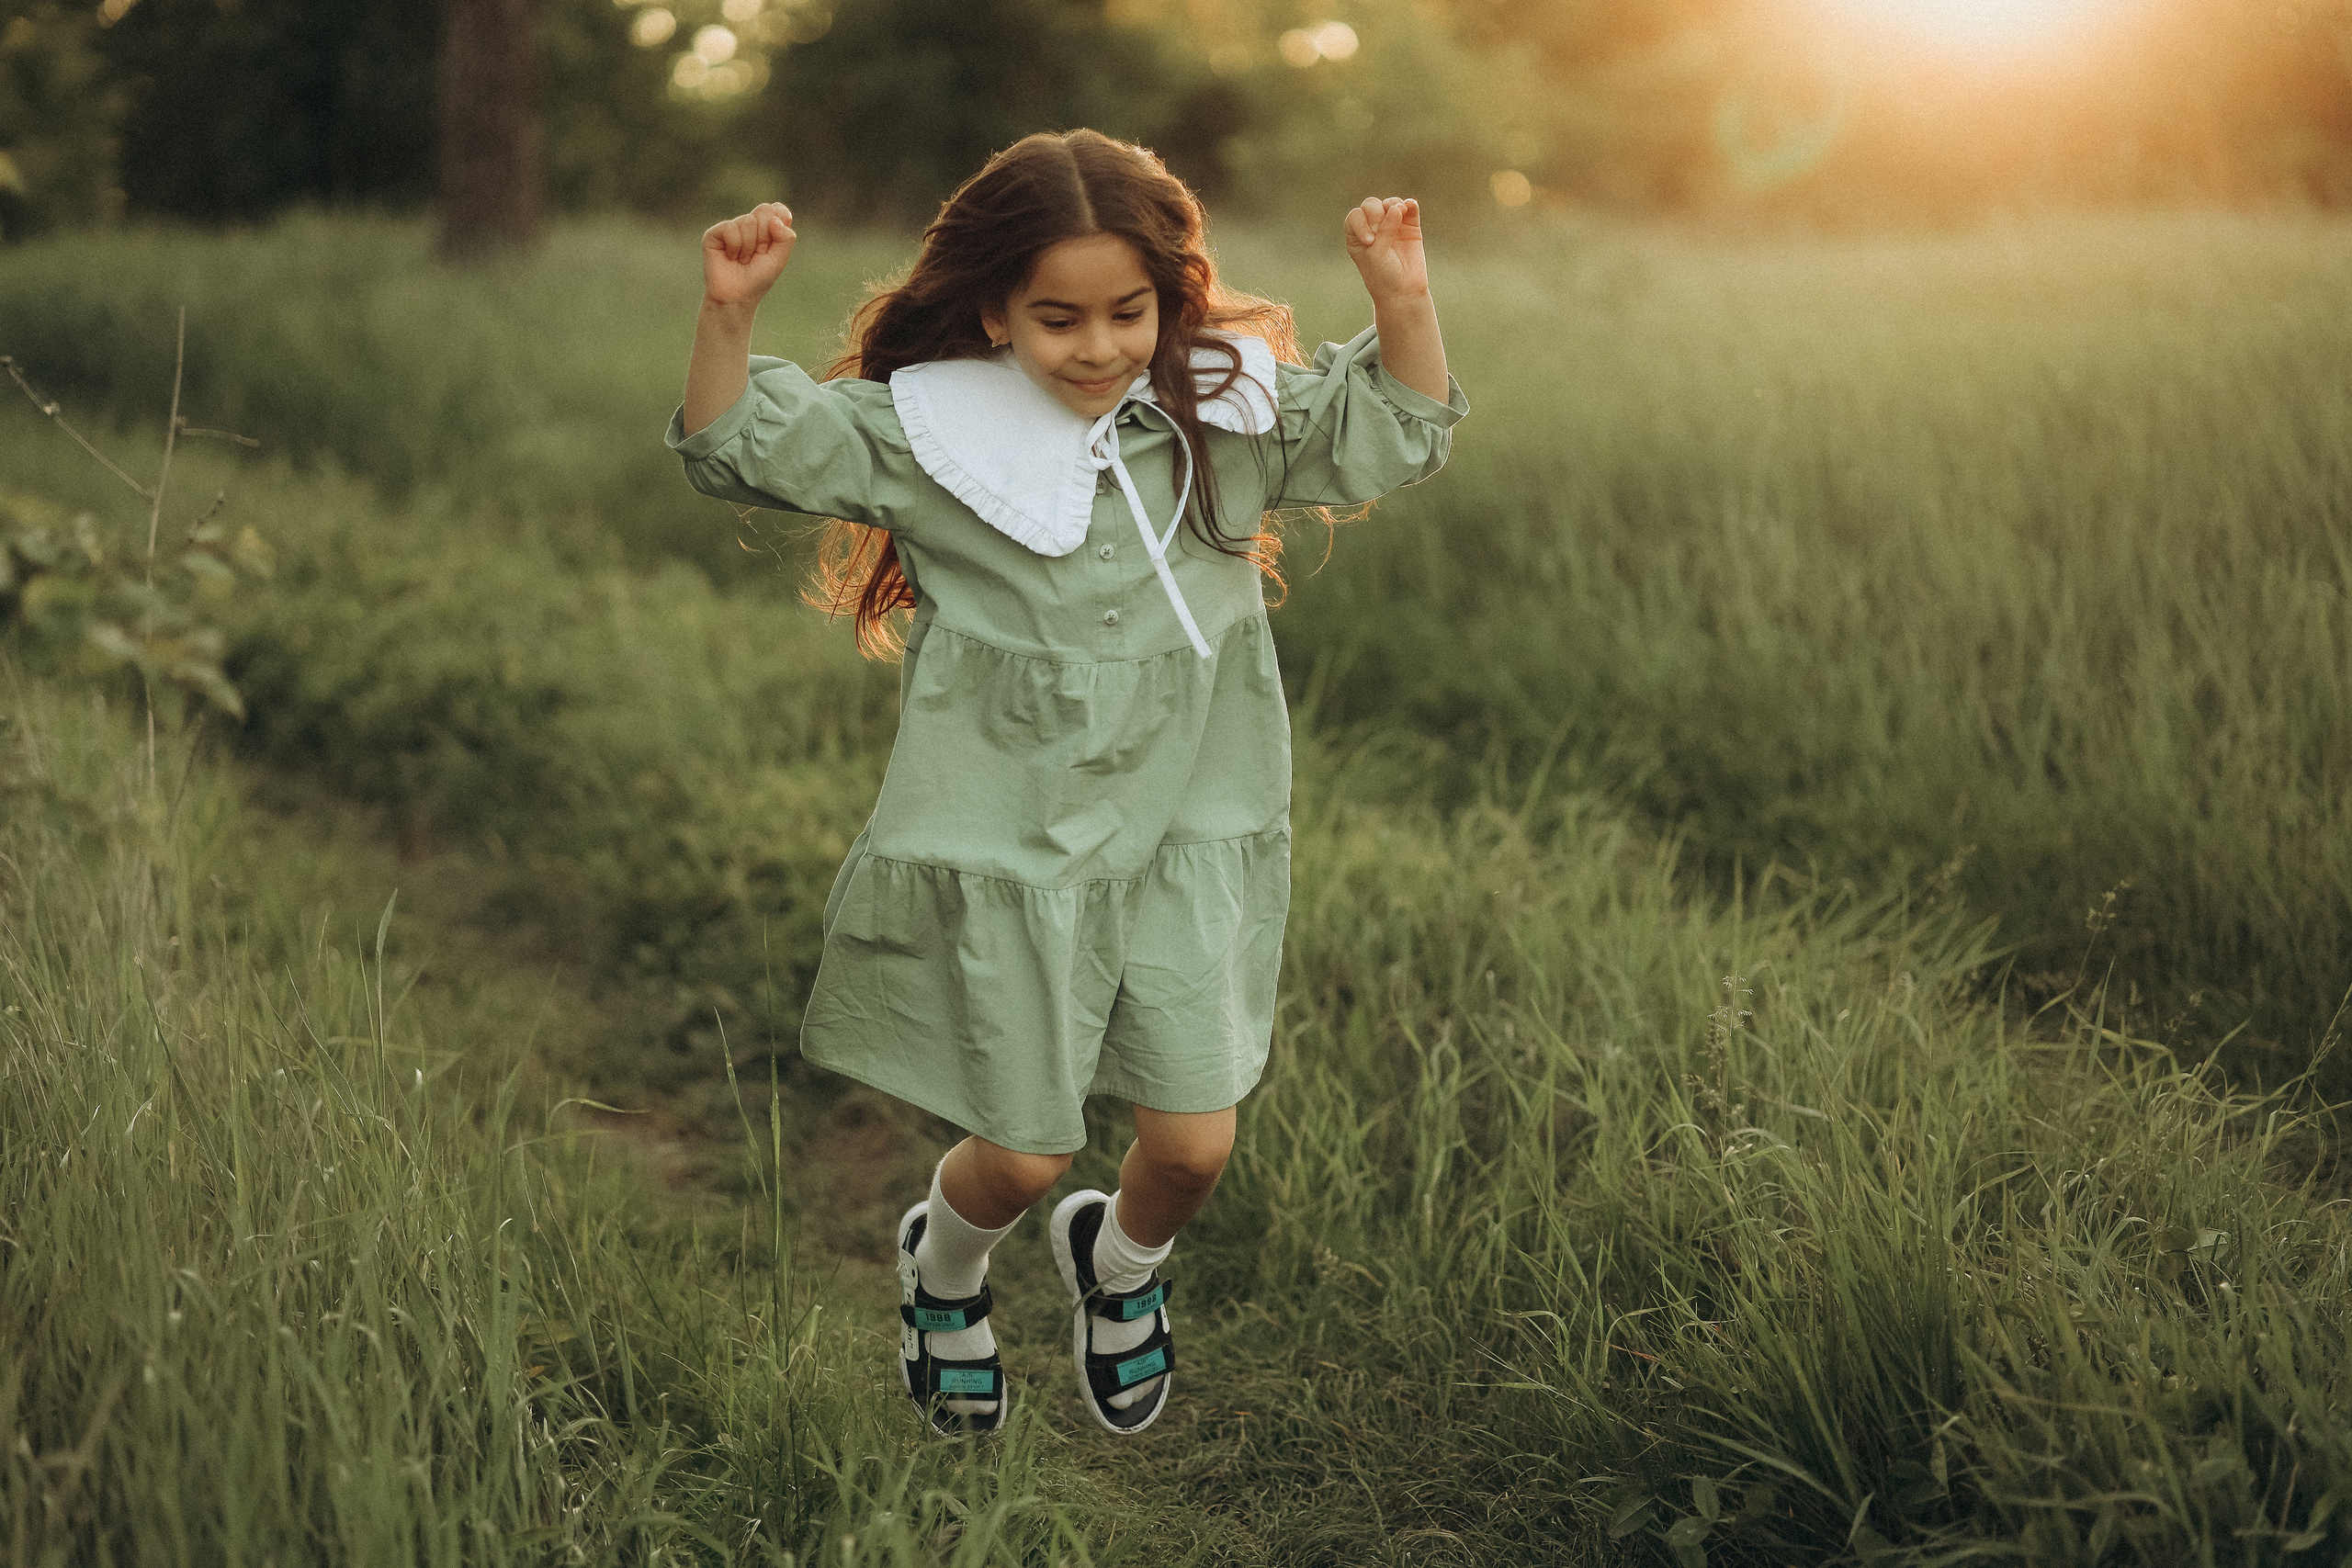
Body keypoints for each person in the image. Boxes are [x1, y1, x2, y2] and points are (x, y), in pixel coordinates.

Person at [670, 130, 1464, 1438]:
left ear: (1168, 303)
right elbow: (738, 444)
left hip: (1194, 823)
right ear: (995, 311)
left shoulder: (1221, 411)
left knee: (1195, 1149)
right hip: (1015, 831)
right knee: (1025, 1151)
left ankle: (1122, 1269)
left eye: (1127, 314)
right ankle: (947, 1271)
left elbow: (1400, 427)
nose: (1098, 347)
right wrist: (727, 312)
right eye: (1057, 318)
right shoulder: (939, 434)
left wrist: (1405, 298)